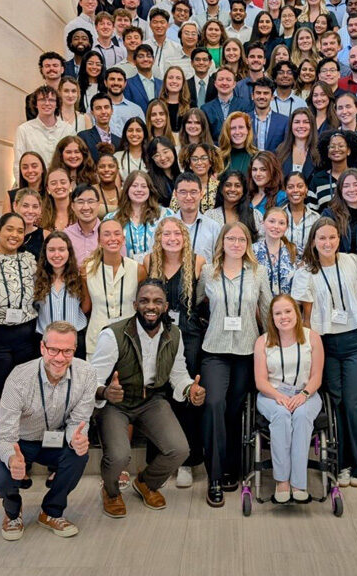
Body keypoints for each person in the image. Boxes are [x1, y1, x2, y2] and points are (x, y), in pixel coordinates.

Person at [91, 279, 205, 516]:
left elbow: (179, 374)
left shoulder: (175, 334)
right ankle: (111, 492)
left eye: (157, 301)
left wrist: (189, 390)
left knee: (180, 449)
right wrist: (105, 392)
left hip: (151, 399)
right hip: (116, 402)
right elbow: (92, 380)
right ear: (135, 304)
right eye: (144, 301)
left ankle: (146, 483)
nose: (150, 306)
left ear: (165, 306)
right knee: (119, 456)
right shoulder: (112, 335)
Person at [0, 321, 96, 541]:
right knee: (2, 479)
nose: (59, 358)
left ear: (74, 350)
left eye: (67, 351)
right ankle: (12, 512)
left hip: (56, 439)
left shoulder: (86, 373)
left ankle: (51, 511)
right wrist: (11, 458)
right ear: (42, 348)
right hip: (20, 441)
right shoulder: (19, 378)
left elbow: (79, 420)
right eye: (54, 350)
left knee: (79, 454)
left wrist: (77, 439)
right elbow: (6, 434)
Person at [292, 218, 357, 487]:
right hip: (326, 343)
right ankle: (341, 466)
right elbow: (305, 318)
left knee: (355, 405)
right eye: (322, 238)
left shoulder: (351, 262)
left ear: (339, 239)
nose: (327, 243)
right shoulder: (305, 272)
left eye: (332, 237)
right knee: (335, 403)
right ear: (313, 241)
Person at [200, 221, 272, 506]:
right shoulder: (208, 271)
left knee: (234, 410)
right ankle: (214, 477)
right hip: (214, 350)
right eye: (231, 238)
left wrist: (273, 349)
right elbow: (198, 305)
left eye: (241, 239)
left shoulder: (258, 273)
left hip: (246, 351)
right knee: (215, 403)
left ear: (248, 244)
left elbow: (266, 310)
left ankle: (233, 467)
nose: (236, 243)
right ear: (222, 241)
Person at [143, 220, 208, 488]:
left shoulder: (199, 262)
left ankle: (188, 463)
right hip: (155, 336)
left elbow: (204, 299)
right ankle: (159, 458)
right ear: (159, 237)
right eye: (166, 233)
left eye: (177, 233)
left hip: (189, 336)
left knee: (187, 395)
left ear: (185, 236)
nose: (172, 238)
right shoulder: (149, 262)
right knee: (158, 395)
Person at [253, 294, 324, 503]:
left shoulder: (313, 338)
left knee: (301, 416)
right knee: (282, 415)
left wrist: (303, 395)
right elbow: (261, 381)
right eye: (278, 313)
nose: (283, 316)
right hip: (271, 395)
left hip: (307, 393)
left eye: (287, 311)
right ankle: (282, 481)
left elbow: (316, 376)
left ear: (297, 313)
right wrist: (279, 397)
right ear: (272, 318)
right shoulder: (262, 341)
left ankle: (299, 483)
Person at [0, 213, 39, 447]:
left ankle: (21, 453)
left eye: (19, 231)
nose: (14, 235)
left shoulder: (30, 260)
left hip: (27, 337)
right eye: (9, 229)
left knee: (25, 398)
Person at [83, 219, 146, 357]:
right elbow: (86, 307)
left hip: (129, 340)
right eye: (107, 234)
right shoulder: (86, 271)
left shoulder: (138, 270)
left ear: (123, 239)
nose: (113, 238)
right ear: (99, 240)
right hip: (96, 341)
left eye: (117, 234)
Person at [33, 232, 89, 359]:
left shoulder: (78, 277)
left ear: (69, 252)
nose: (56, 254)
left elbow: (85, 308)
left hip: (74, 340)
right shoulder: (36, 279)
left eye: (61, 249)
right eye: (51, 250)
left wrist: (85, 281)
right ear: (45, 252)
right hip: (46, 342)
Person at [14, 86, 75, 184]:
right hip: (33, 187)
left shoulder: (68, 130)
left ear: (56, 104)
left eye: (51, 100)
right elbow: (18, 163)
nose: (47, 103)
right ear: (35, 104)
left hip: (60, 186)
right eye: (42, 100)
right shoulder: (24, 130)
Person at [321, 168, 357, 255]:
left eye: (356, 185)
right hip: (339, 264)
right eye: (346, 186)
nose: (352, 189)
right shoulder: (329, 214)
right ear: (340, 190)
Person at [171, 172, 222, 262]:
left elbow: (219, 261)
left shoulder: (213, 227)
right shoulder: (164, 226)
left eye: (193, 192)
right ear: (175, 194)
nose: (188, 197)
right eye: (183, 192)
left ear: (201, 194)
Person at [307, 130, 357, 212]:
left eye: (341, 146)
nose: (336, 149)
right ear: (327, 152)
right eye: (332, 146)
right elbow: (312, 213)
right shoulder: (317, 180)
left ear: (348, 151)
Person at [205, 170, 263, 240]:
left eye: (237, 186)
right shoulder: (210, 216)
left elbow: (261, 243)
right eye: (228, 185)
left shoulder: (255, 215)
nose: (232, 189)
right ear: (221, 189)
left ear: (243, 190)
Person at [253, 207, 298, 295]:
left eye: (281, 223)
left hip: (286, 306)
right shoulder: (252, 250)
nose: (276, 226)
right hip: (260, 306)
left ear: (286, 227)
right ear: (262, 223)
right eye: (272, 221)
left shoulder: (293, 250)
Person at [201, 66, 253, 141]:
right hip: (214, 150)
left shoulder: (245, 106)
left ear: (234, 84)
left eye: (228, 80)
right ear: (215, 83)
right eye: (221, 79)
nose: (224, 83)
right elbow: (206, 136)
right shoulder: (205, 109)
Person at [276, 108, 323, 181]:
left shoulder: (320, 152)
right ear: (291, 125)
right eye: (297, 122)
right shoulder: (280, 151)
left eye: (306, 122)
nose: (301, 126)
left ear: (312, 125)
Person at [175, 142, 222, 214]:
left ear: (210, 162)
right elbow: (174, 212)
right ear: (189, 164)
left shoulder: (219, 187)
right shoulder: (181, 186)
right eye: (194, 159)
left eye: (204, 158)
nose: (199, 162)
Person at [283, 172, 320, 257]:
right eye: (290, 187)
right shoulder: (278, 216)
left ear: (306, 189)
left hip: (309, 266)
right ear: (285, 190)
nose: (295, 190)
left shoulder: (316, 218)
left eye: (300, 186)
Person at [63, 184, 101, 266]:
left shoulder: (109, 233)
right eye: (80, 202)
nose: (86, 207)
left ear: (98, 204)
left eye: (91, 201)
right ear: (73, 206)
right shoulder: (66, 235)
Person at [247, 77, 288, 153]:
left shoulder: (284, 122)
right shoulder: (244, 119)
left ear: (272, 97)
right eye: (258, 93)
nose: (262, 97)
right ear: (252, 96)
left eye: (266, 93)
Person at [25, 52, 65, 120]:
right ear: (42, 70)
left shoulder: (73, 95)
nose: (51, 68)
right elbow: (32, 126)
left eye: (55, 65)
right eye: (47, 66)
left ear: (62, 69)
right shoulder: (31, 98)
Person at [124, 46, 163, 111]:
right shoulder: (128, 84)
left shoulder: (162, 84)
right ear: (134, 61)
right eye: (141, 56)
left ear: (153, 60)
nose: (145, 59)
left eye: (149, 56)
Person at [78, 93, 114, 161]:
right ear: (92, 112)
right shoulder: (83, 137)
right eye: (98, 108)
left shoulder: (118, 140)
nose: (103, 112)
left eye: (106, 107)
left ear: (112, 110)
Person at [146, 137, 181, 207]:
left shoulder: (182, 176)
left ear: (173, 151)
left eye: (165, 152)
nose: (162, 158)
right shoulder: (148, 180)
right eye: (156, 155)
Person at [13, 188, 45, 259]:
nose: (30, 211)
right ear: (15, 206)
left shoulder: (45, 235)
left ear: (40, 209)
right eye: (25, 206)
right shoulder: (5, 233)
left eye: (35, 207)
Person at [159, 66, 192, 133]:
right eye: (170, 78)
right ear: (165, 81)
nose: (174, 81)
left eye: (178, 78)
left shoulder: (191, 105)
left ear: (183, 82)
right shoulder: (157, 104)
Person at [40, 168, 75, 232]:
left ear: (71, 186)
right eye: (53, 183)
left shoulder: (80, 211)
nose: (59, 186)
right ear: (48, 189)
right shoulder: (40, 216)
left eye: (63, 182)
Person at [75, 50, 107, 115]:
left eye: (98, 64)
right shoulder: (77, 87)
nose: (94, 67)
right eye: (90, 63)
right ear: (84, 65)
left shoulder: (106, 87)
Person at [95, 146, 122, 219]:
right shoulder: (90, 191)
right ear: (96, 170)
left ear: (117, 170)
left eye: (111, 166)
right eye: (102, 166)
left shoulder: (125, 192)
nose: (106, 169)